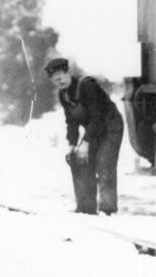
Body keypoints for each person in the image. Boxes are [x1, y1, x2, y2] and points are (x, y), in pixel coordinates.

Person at [49, 58, 123, 215]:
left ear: (68, 73)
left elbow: (96, 116)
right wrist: (72, 146)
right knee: (78, 159)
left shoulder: (86, 86)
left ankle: (107, 209)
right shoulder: (64, 95)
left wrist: (86, 143)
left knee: (104, 163)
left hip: (110, 126)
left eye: (60, 77)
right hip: (94, 129)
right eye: (55, 80)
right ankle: (86, 208)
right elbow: (71, 122)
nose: (59, 82)